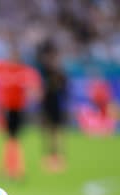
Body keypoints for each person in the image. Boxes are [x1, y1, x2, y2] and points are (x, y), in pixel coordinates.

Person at [0, 44, 42, 180]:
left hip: (17, 109)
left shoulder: (24, 72)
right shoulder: (2, 68)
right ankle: (12, 169)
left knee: (12, 140)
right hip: (6, 109)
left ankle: (12, 169)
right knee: (11, 140)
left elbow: (35, 89)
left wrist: (32, 95)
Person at [36, 40, 69, 173]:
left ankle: (58, 156)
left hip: (56, 104)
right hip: (46, 104)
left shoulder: (59, 73)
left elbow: (64, 89)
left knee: (56, 131)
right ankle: (48, 156)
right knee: (46, 130)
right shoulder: (43, 71)